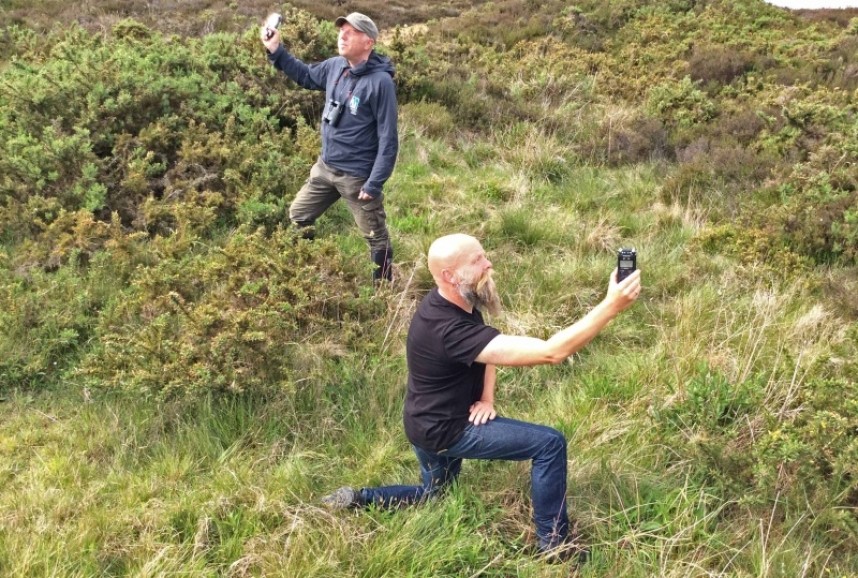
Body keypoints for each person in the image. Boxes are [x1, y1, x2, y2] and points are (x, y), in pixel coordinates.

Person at [321, 233, 642, 562]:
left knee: (435, 495)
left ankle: (360, 498)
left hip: (421, 423)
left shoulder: (453, 299)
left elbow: (485, 350)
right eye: (476, 260)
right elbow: (551, 353)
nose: (488, 263)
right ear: (450, 275)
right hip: (445, 429)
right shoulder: (449, 328)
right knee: (550, 444)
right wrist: (611, 306)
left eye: (484, 255)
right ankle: (555, 545)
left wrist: (487, 398)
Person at [261, 12, 398, 283]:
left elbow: (388, 139)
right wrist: (276, 50)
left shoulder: (380, 83)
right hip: (325, 169)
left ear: (368, 42)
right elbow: (306, 76)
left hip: (357, 178)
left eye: (351, 32)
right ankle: (308, 268)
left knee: (375, 237)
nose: (342, 36)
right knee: (298, 216)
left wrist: (374, 184)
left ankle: (383, 292)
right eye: (341, 31)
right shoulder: (336, 66)